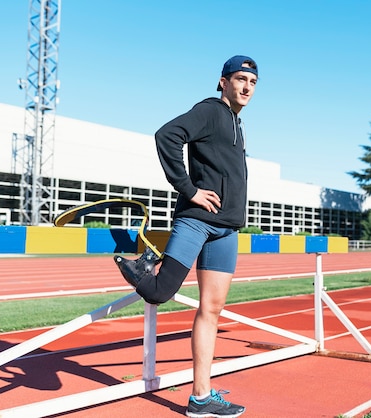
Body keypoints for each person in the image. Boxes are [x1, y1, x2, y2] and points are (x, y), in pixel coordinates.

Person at [114, 55, 258, 418]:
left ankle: (200, 398)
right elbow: (167, 135)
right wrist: (188, 189)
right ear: (223, 81)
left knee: (211, 310)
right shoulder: (210, 110)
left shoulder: (235, 122)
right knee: (161, 291)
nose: (246, 87)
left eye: (252, 82)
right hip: (198, 221)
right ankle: (139, 262)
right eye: (240, 79)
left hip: (226, 230)